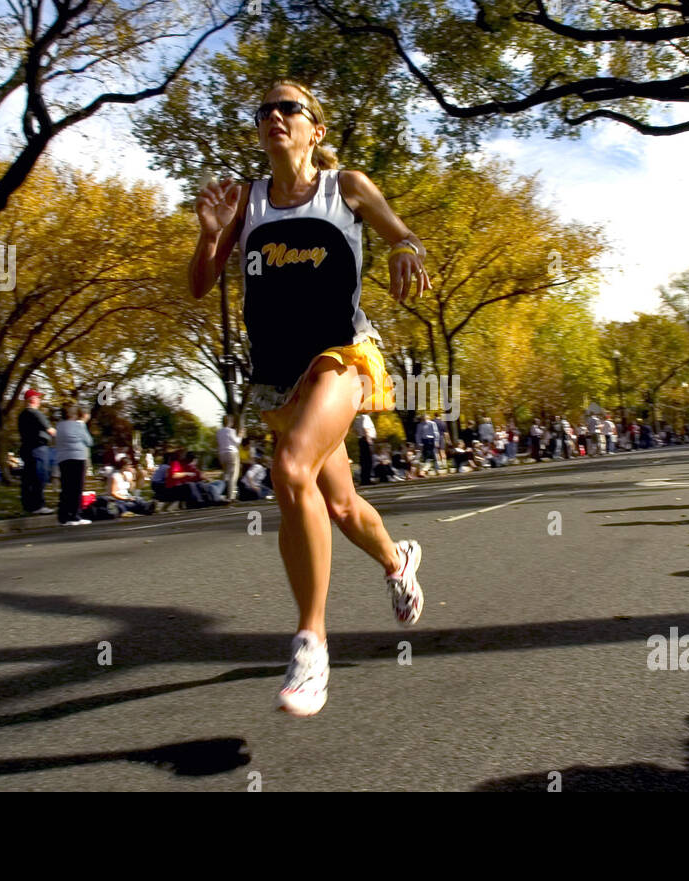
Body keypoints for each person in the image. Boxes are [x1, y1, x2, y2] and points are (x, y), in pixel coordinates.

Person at [189, 78, 429, 716]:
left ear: (314, 129)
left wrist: (405, 249)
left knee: (290, 468)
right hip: (279, 376)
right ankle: (397, 560)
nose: (273, 115)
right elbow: (198, 283)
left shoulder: (344, 186)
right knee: (342, 505)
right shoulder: (246, 200)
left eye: (287, 107)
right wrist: (210, 233)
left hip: (344, 354)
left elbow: (403, 234)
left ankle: (310, 643)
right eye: (264, 108)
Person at [18, 389, 55, 515]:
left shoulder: (22, 415)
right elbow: (50, 430)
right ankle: (38, 505)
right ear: (32, 399)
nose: (40, 400)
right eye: (38, 398)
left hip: (27, 448)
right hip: (39, 449)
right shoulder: (35, 413)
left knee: (28, 478)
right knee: (40, 477)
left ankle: (28, 505)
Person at [55, 404, 93, 526]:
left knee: (66, 487)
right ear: (74, 414)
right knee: (76, 488)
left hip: (63, 458)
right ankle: (75, 515)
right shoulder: (78, 425)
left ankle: (63, 516)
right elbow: (89, 441)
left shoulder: (59, 426)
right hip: (77, 457)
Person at [217, 415, 242, 501]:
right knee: (233, 475)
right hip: (231, 453)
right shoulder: (231, 431)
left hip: (222, 454)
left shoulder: (219, 432)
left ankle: (222, 493)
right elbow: (237, 442)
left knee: (225, 474)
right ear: (229, 422)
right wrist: (240, 436)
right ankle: (231, 496)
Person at [353, 412, 376, 486]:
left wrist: (359, 435)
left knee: (363, 461)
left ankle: (364, 479)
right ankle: (367, 479)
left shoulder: (358, 418)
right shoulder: (365, 417)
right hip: (366, 440)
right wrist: (368, 439)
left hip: (361, 439)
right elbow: (365, 428)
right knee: (368, 461)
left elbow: (354, 430)